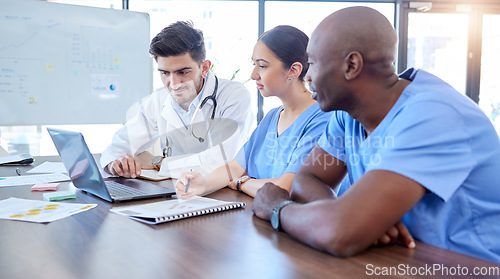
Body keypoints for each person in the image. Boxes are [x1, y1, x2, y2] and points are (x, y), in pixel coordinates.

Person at [252, 6, 500, 263]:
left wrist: (278, 209)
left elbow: (339, 233)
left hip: (471, 267)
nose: (309, 75)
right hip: (399, 261)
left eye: (312, 63)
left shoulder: (434, 115)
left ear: (352, 65)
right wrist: (350, 218)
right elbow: (309, 178)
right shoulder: (347, 113)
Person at [175, 25, 331, 199]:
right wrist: (202, 183)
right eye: (254, 64)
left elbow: (285, 188)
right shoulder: (273, 117)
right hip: (260, 216)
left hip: (297, 222)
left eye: (262, 66)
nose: (253, 74)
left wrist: (243, 183)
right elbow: (234, 168)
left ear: (293, 70)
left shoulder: (323, 118)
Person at [100, 21, 253, 179]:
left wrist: (158, 162)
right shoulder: (158, 100)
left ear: (205, 68)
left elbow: (221, 162)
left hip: (223, 194)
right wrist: (116, 163)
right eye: (165, 73)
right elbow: (118, 145)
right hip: (174, 192)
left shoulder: (233, 96)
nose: (173, 83)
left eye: (183, 72)